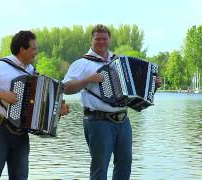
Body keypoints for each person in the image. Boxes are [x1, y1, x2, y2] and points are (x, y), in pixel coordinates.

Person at [63, 24, 162, 180]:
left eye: (105, 38)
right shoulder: (82, 63)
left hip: (123, 121)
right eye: (98, 39)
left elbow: (136, 93)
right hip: (98, 121)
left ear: (109, 40)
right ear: (91, 40)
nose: (101, 42)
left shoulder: (119, 61)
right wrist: (89, 79)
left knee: (125, 165)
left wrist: (153, 84)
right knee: (100, 168)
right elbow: (66, 88)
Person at [0, 30, 69, 180]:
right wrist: (2, 94)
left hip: (20, 132)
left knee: (21, 177)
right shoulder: (0, 66)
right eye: (34, 49)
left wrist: (56, 111)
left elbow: (39, 103)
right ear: (22, 50)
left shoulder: (32, 71)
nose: (36, 52)